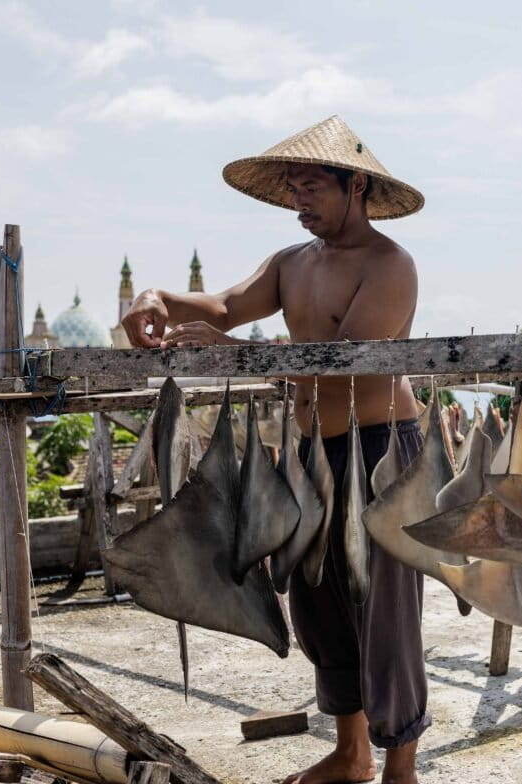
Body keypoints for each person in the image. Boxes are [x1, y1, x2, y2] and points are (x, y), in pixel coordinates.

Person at [120, 116, 429, 784]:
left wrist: (236, 354)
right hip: (315, 449)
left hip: (379, 450)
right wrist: (156, 299)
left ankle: (401, 767)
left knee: (385, 610)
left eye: (312, 185)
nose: (299, 201)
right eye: (293, 188)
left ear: (357, 188)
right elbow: (226, 305)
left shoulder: (389, 265)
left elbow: (344, 365)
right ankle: (352, 756)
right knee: (318, 598)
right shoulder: (291, 264)